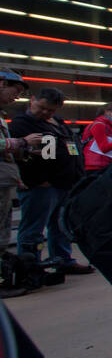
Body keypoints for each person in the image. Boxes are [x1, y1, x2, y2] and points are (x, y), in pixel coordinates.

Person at [10, 87, 92, 275]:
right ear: (32, 100)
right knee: (34, 228)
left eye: (51, 110)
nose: (46, 113)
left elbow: (68, 149)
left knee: (60, 225)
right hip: (41, 186)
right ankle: (30, 266)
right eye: (42, 108)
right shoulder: (21, 125)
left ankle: (63, 259)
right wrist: (39, 180)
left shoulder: (58, 123)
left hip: (64, 183)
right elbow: (24, 158)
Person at [0, 70, 42, 269]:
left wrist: (24, 150)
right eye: (14, 91)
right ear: (1, 84)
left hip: (6, 180)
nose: (16, 97)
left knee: (4, 231)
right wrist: (21, 141)